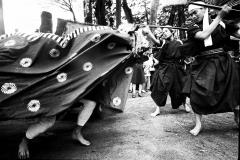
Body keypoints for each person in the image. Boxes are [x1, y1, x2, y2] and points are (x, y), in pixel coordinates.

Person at [181, 1, 240, 136]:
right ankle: (198, 124)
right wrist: (220, 16)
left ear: (205, 9)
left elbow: (238, 34)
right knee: (196, 92)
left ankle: (237, 117)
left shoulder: (222, 23)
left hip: (224, 62)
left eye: (195, 12)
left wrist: (227, 20)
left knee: (235, 92)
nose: (193, 16)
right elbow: (203, 35)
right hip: (203, 63)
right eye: (190, 14)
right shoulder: (192, 26)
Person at [18, 98, 96, 159]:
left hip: (69, 92)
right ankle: (24, 140)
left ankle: (77, 132)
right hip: (52, 97)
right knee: (48, 121)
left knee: (90, 103)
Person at [142, 26, 189, 117]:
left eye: (166, 31)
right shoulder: (164, 42)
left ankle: (184, 104)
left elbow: (184, 55)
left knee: (180, 88)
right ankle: (157, 109)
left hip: (177, 68)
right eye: (163, 31)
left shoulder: (180, 42)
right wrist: (148, 33)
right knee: (160, 87)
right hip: (165, 68)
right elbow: (156, 41)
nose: (164, 33)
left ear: (172, 32)